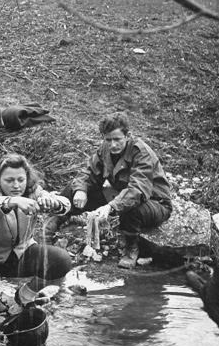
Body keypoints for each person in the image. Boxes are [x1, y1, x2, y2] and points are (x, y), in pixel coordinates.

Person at [0, 153, 72, 328]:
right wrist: (12, 201)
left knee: (61, 260)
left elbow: (65, 204)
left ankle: (25, 295)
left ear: (27, 179)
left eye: (20, 179)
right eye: (9, 180)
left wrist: (54, 203)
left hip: (20, 253)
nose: (16, 185)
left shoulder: (35, 192)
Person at [46, 112, 172, 269]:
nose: (112, 145)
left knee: (131, 208)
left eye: (117, 139)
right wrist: (81, 190)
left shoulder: (141, 153)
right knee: (73, 187)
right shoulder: (105, 149)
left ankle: (131, 247)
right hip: (119, 195)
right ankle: (56, 219)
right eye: (108, 139)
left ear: (128, 136)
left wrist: (111, 206)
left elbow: (138, 190)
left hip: (153, 203)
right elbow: (89, 172)